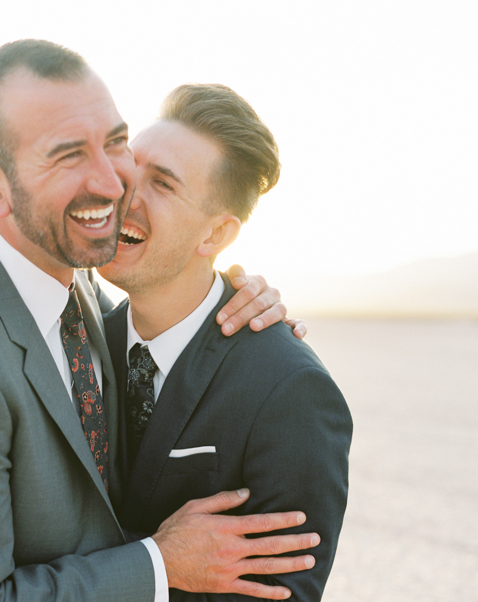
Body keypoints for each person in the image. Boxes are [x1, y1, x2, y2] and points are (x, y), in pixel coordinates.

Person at [0, 40, 317, 602]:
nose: (113, 182)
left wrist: (239, 296)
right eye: (68, 153)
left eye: (115, 142)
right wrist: (158, 564)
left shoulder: (77, 284)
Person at [98, 84, 353, 600]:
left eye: (163, 184)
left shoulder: (289, 390)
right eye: (130, 165)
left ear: (214, 235)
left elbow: (281, 592)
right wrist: (155, 561)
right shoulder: (77, 343)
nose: (125, 191)